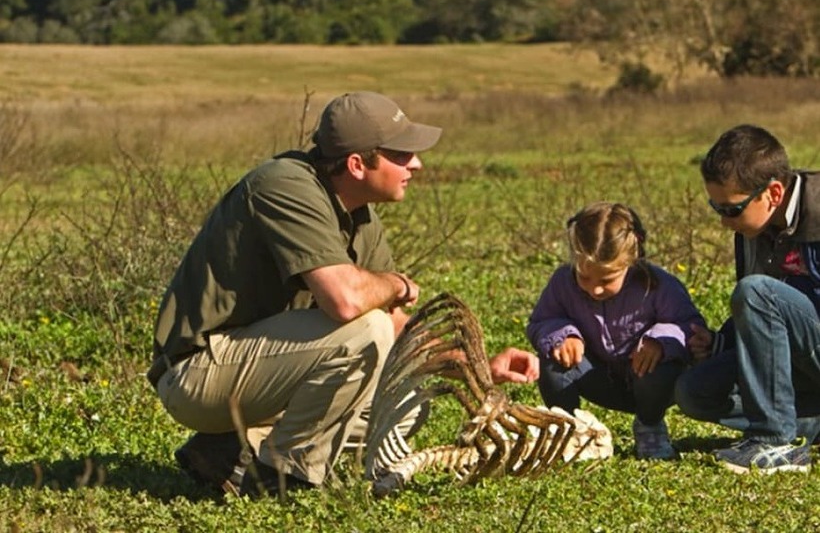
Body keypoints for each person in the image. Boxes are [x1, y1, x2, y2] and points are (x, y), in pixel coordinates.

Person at [146, 90, 539, 496]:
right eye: (401, 154)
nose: (416, 164)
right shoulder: (283, 185)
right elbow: (346, 301)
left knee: (407, 399)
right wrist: (396, 284)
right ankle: (282, 479)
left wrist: (478, 367)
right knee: (366, 330)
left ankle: (233, 453)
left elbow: (396, 329)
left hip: (262, 373)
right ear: (356, 164)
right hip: (197, 374)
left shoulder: (360, 216)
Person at [674, 124, 820, 474]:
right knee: (694, 391)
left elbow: (763, 296)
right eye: (716, 208)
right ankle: (807, 423)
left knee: (756, 291)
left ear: (773, 193)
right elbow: (767, 315)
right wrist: (720, 342)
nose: (724, 222)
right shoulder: (753, 226)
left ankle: (775, 442)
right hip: (801, 361)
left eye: (731, 209)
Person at [527, 202, 706, 460]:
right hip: (597, 376)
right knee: (552, 361)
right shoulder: (563, 283)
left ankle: (649, 426)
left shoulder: (658, 285)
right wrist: (562, 335)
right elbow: (541, 321)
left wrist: (660, 341)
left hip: (650, 382)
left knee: (661, 368)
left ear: (631, 261)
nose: (595, 289)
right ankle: (567, 431)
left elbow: (689, 326)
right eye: (584, 277)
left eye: (607, 279)